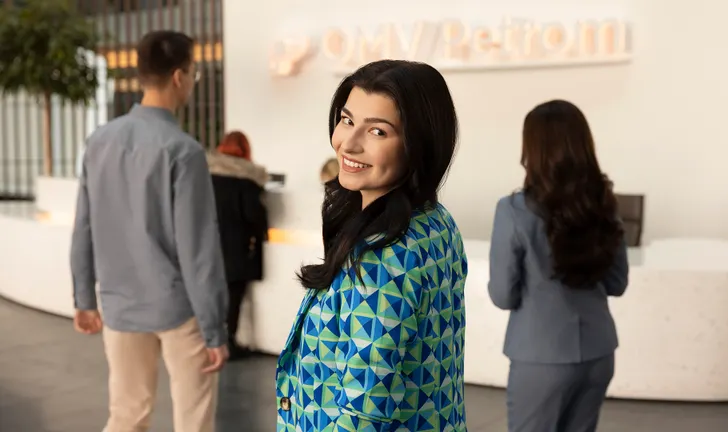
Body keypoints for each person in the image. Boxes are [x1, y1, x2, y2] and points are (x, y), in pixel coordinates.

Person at [275, 60, 468, 431]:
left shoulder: (384, 257)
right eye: (347, 120)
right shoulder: (435, 222)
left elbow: (362, 416)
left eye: (377, 131)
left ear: (418, 145)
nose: (348, 143)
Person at [70, 30, 229, 432]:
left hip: (120, 305)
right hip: (179, 309)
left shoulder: (98, 142)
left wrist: (84, 297)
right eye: (194, 73)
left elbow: (83, 227)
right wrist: (214, 329)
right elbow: (199, 250)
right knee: (193, 421)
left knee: (126, 416)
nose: (193, 82)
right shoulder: (183, 151)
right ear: (179, 76)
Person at [488, 99, 629, 432]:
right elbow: (617, 283)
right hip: (599, 352)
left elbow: (503, 296)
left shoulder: (513, 210)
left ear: (531, 149)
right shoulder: (605, 204)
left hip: (541, 356)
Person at [207, 130, 269, 359]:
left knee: (212, 294)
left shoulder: (206, 175)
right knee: (234, 297)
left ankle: (210, 339)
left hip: (208, 246)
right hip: (236, 248)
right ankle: (229, 343)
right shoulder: (247, 179)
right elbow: (255, 216)